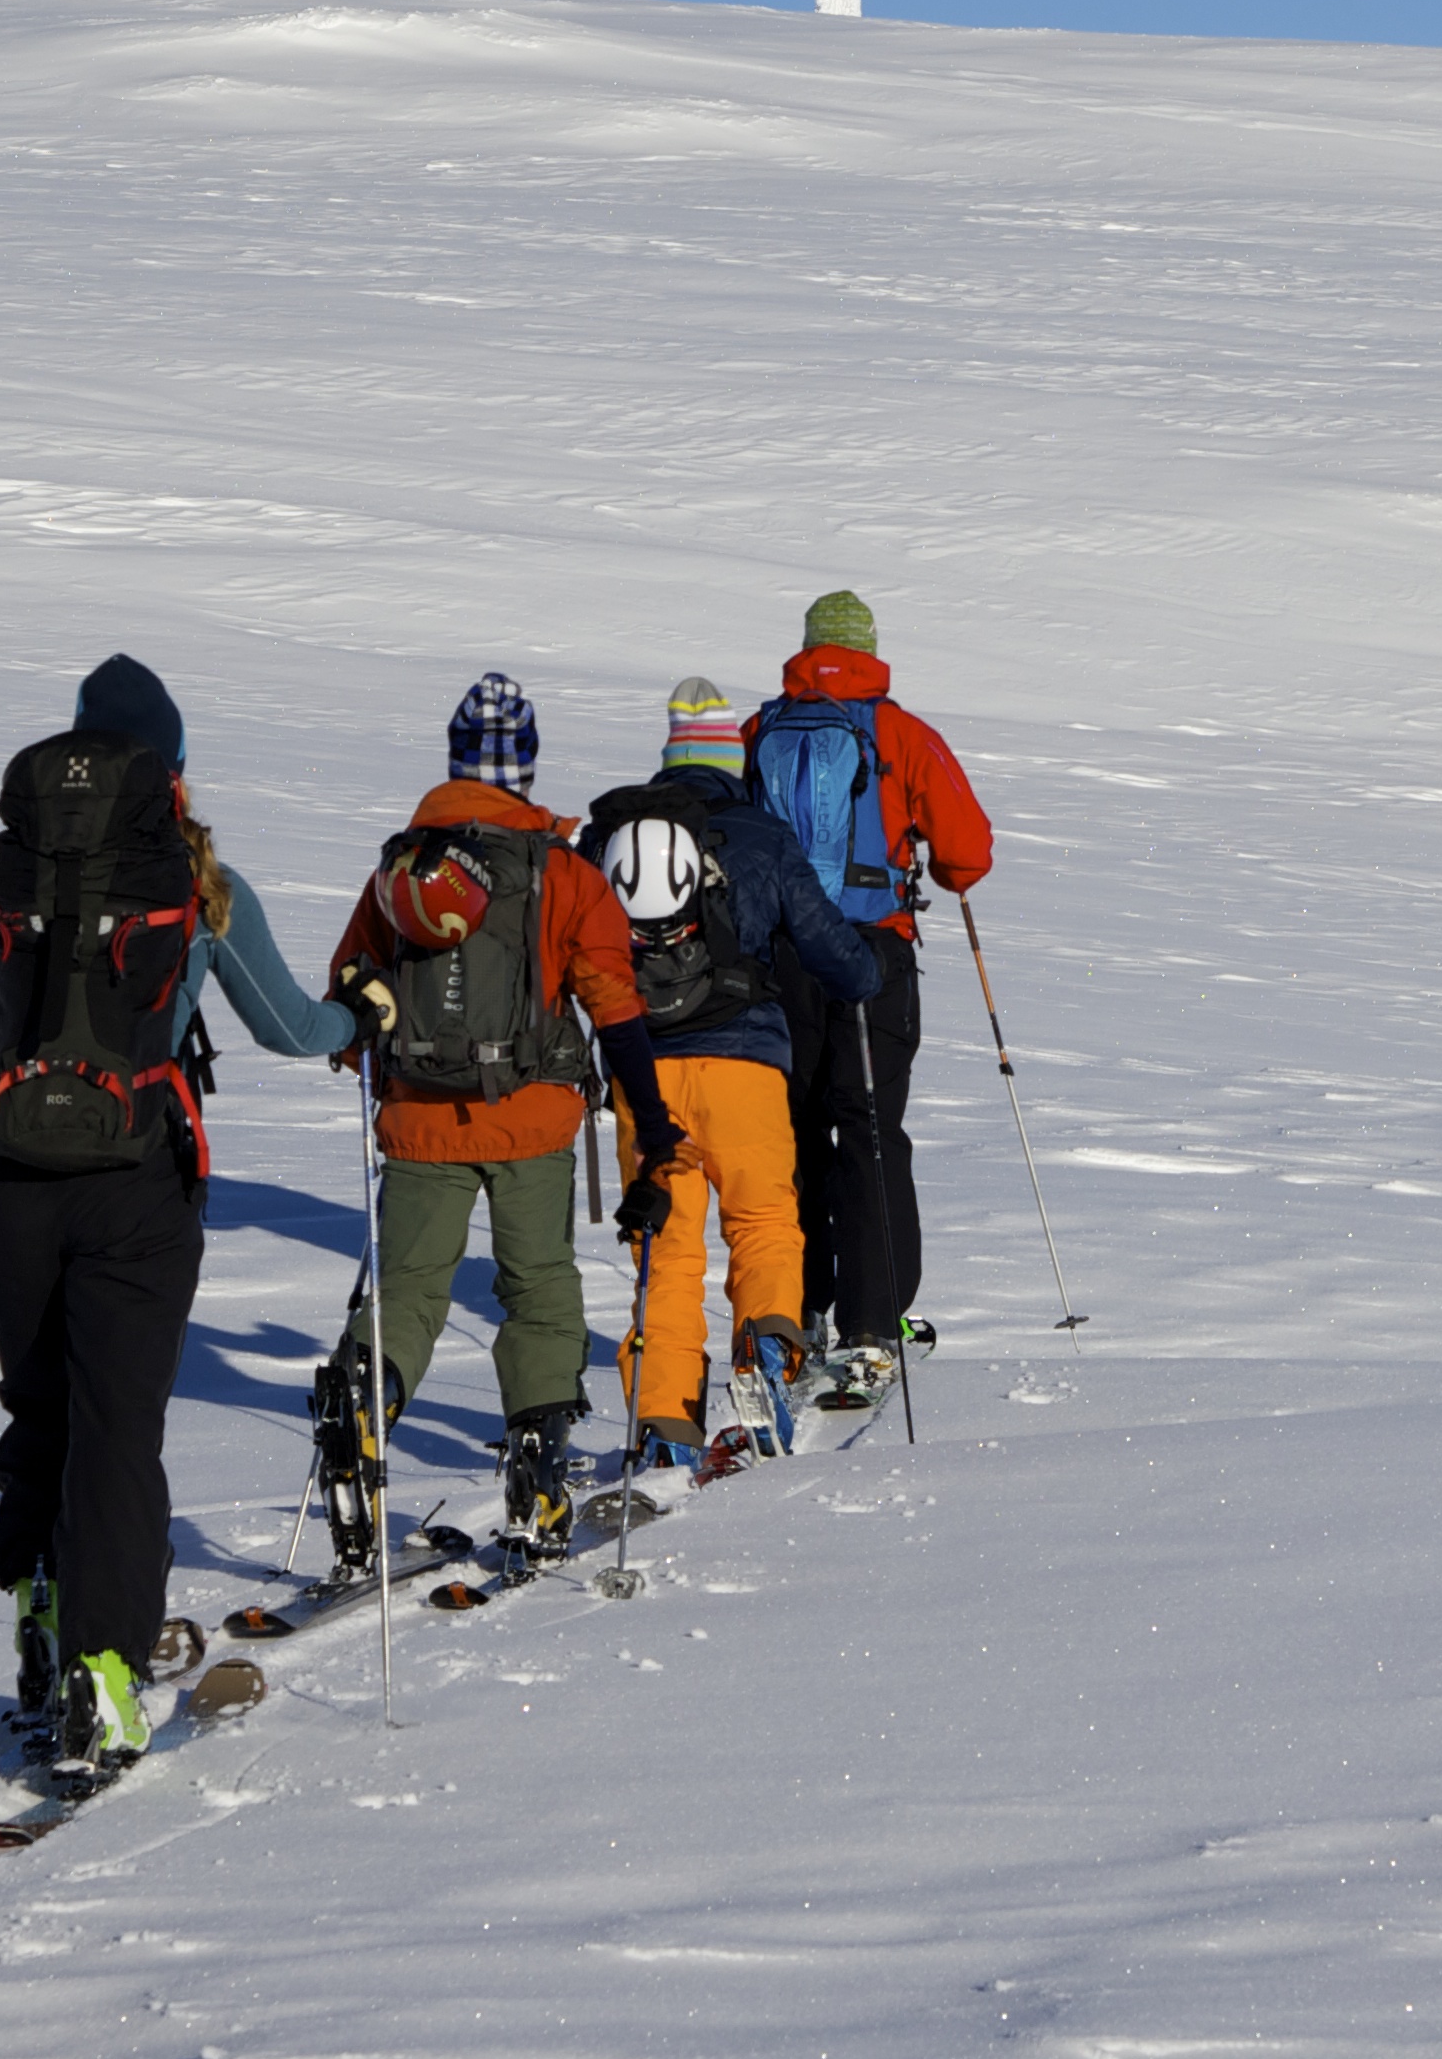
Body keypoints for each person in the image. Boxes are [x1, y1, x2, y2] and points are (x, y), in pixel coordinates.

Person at [0, 654, 346, 1765]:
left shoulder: (3, 880)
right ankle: (102, 1670)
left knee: (44, 1399)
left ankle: (42, 1596)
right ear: (173, 768)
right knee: (118, 1428)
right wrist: (360, 1019)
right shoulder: (199, 882)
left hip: (1, 1177)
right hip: (133, 1185)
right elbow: (291, 1025)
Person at [321, 673, 668, 1557]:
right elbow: (614, 1007)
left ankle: (364, 1410)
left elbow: (349, 990)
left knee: (408, 1294)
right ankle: (539, 1464)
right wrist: (651, 1123)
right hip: (535, 1118)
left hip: (417, 1124)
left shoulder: (399, 868)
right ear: (528, 764)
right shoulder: (564, 871)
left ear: (453, 760)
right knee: (541, 1290)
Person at [582, 679, 895, 1465]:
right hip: (747, 1065)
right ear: (735, 762)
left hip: (643, 1074)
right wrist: (867, 977)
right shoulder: (761, 836)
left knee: (668, 1250)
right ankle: (766, 1355)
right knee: (761, 1222)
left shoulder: (612, 844)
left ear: (666, 764)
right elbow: (831, 948)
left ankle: (664, 1417)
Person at [746, 590, 1001, 1398]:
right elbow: (967, 852)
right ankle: (871, 1320)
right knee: (869, 1129)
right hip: (872, 949)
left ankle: (799, 1310)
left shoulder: (761, 729)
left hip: (783, 955)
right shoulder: (899, 731)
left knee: (791, 1128)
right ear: (870, 649)